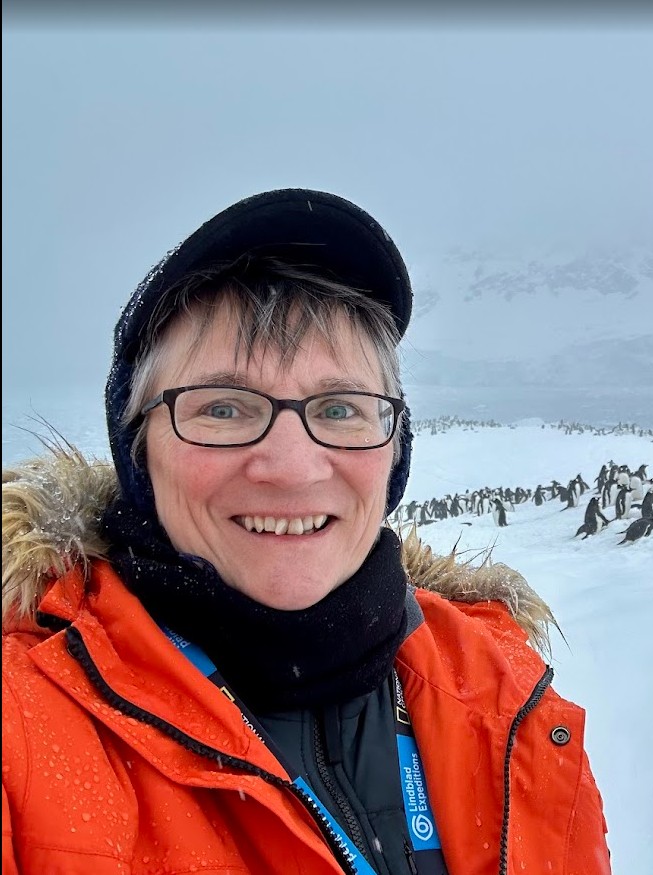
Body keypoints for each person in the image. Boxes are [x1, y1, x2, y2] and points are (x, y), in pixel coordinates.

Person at [2, 189, 611, 874]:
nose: (292, 467)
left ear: (393, 451)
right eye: (224, 407)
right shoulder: (22, 723)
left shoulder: (507, 701)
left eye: (340, 407)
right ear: (139, 449)